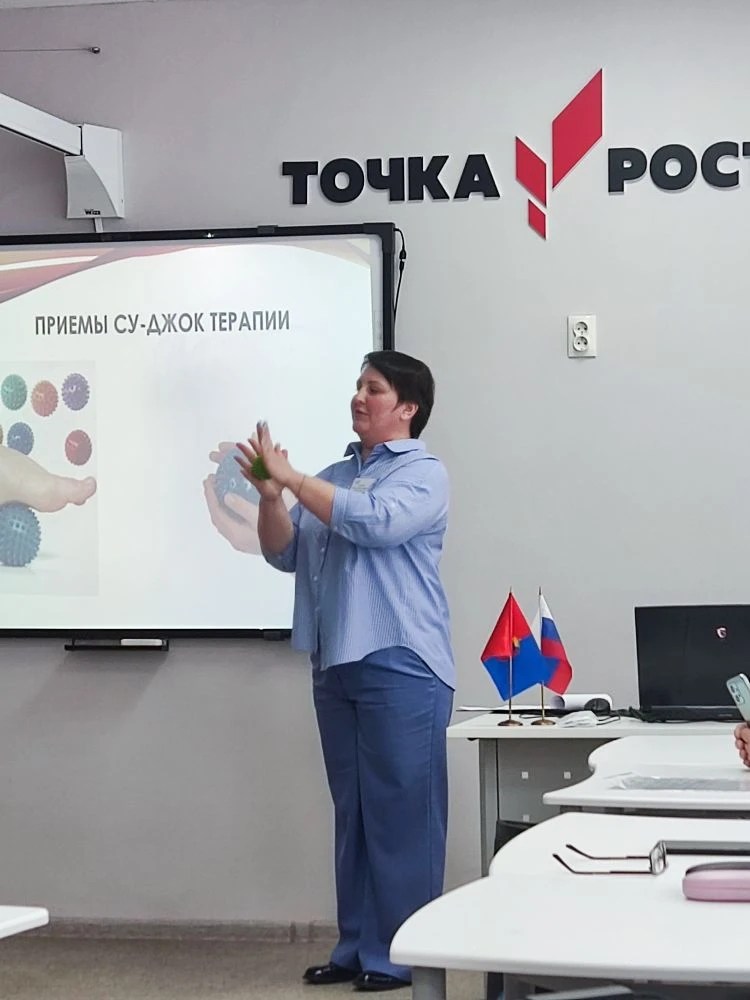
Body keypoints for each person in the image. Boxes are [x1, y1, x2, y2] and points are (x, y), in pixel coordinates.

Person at [234, 350, 454, 993]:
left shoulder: (423, 473)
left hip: (402, 662)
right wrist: (272, 496)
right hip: (335, 661)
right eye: (358, 385)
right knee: (354, 811)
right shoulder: (333, 476)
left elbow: (376, 524)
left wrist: (293, 477)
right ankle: (357, 946)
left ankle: (403, 954)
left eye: (374, 388)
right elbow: (282, 552)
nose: (359, 396)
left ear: (407, 407)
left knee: (402, 814)